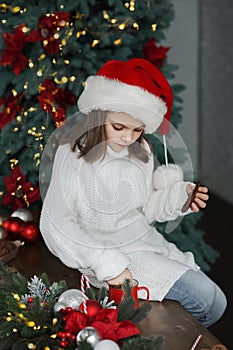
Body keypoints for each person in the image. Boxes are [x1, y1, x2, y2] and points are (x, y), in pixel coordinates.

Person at [39, 58, 226, 327]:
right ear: (100, 113)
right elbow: (54, 223)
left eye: (137, 130)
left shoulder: (142, 152)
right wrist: (106, 264)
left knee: (217, 302)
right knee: (206, 299)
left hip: (143, 243)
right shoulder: (73, 155)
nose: (128, 138)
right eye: (119, 127)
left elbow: (146, 208)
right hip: (106, 255)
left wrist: (178, 197)